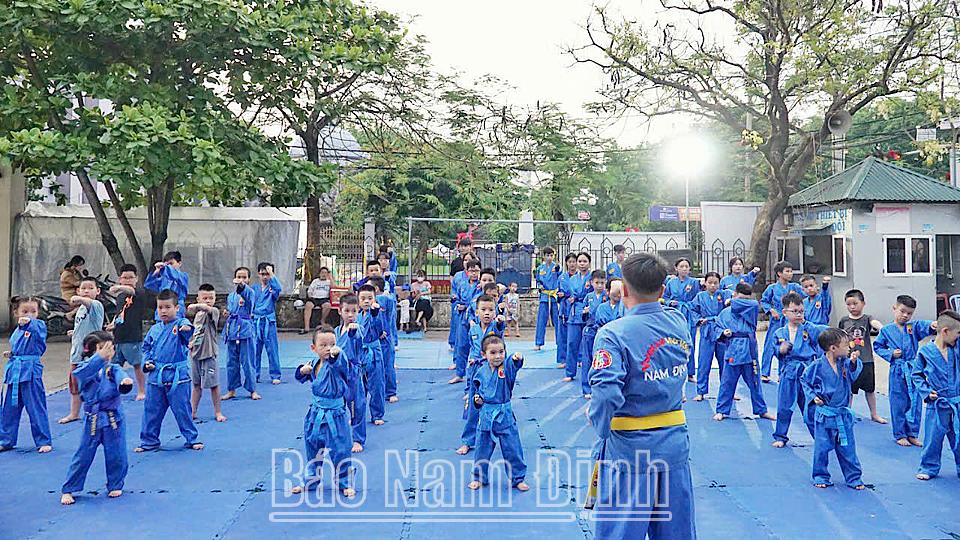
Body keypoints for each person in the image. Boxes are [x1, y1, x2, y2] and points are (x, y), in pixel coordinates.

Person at [586, 252, 695, 539]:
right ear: (663, 290)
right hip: (674, 446)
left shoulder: (613, 334)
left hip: (630, 452)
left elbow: (606, 394)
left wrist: (600, 425)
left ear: (623, 289)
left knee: (621, 533)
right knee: (676, 533)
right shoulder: (678, 322)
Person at [60, 331, 134, 505]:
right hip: (92, 418)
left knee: (117, 453)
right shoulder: (85, 368)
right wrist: (99, 358)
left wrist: (125, 382)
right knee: (83, 454)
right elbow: (80, 375)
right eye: (102, 348)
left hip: (113, 417)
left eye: (110, 348)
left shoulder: (113, 369)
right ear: (92, 351)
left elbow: (121, 376)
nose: (107, 352)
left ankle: (115, 483)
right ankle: (69, 488)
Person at [136, 290, 203, 453]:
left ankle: (192, 438)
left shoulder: (180, 324)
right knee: (151, 411)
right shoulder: (154, 329)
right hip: (156, 375)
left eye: (167, 307)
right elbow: (146, 348)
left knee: (182, 409)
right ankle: (149, 441)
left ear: (177, 308)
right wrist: (147, 362)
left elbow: (187, 330)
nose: (163, 311)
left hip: (177, 377)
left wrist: (186, 328)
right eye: (160, 308)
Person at [293, 326, 356, 497]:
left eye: (332, 344)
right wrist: (302, 371)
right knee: (312, 449)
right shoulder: (314, 364)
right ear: (313, 348)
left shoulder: (337, 362)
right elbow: (300, 376)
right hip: (315, 414)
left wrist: (337, 353)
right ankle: (310, 481)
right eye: (323, 345)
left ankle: (344, 483)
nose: (328, 348)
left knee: (341, 450)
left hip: (336, 415)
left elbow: (341, 363)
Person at [801, 328, 865, 490]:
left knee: (848, 448)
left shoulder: (845, 363)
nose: (849, 347)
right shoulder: (817, 366)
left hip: (842, 414)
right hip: (825, 414)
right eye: (845, 345)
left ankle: (854, 477)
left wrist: (854, 362)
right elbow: (805, 381)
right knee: (822, 448)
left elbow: (853, 375)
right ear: (833, 348)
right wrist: (813, 396)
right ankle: (820, 475)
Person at [874, 295, 936, 446]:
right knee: (898, 402)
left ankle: (912, 433)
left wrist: (933, 325)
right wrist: (890, 354)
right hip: (897, 370)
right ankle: (900, 434)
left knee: (915, 402)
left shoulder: (912, 327)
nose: (905, 315)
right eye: (902, 311)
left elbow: (923, 326)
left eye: (909, 313)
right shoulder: (886, 330)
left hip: (913, 369)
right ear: (894, 308)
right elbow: (878, 346)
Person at [469, 334, 528, 492]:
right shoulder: (480, 371)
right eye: (493, 353)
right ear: (484, 354)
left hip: (504, 414)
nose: (498, 356)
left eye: (501, 352)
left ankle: (518, 478)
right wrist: (477, 400)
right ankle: (479, 477)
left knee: (513, 448)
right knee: (482, 449)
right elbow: (477, 392)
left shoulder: (506, 368)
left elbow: (514, 363)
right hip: (486, 415)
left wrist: (517, 358)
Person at [771, 292, 828, 447]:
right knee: (784, 406)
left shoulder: (809, 329)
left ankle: (820, 437)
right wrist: (780, 350)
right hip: (789, 371)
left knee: (811, 406)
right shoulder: (779, 333)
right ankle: (780, 436)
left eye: (801, 311)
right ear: (785, 312)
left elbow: (823, 335)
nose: (798, 314)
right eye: (795, 311)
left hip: (807, 372)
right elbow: (775, 350)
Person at [714, 283, 776, 422]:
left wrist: (733, 301)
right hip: (733, 349)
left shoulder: (751, 308)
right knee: (727, 382)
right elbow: (717, 327)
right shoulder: (725, 313)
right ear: (735, 294)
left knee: (755, 383)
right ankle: (722, 410)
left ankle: (761, 410)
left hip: (749, 350)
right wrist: (723, 332)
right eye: (741, 298)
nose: (744, 302)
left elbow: (752, 303)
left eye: (746, 299)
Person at [912, 310, 960, 481]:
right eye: (958, 333)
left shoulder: (956, 349)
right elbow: (916, 375)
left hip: (956, 401)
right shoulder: (925, 351)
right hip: (937, 402)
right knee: (933, 438)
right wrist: (926, 391)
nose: (958, 337)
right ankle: (928, 467)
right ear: (945, 331)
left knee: (959, 437)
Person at [0, 296, 52, 453]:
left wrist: (29, 322)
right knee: (9, 409)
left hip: (31, 372)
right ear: (16, 312)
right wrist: (12, 353)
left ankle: (43, 440)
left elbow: (37, 334)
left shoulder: (38, 326)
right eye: (25, 311)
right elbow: (22, 347)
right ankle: (6, 440)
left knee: (36, 407)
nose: (29, 314)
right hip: (15, 371)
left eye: (33, 311)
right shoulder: (17, 331)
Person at [457, 294, 506, 456]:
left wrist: (500, 321)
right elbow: (471, 349)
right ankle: (467, 441)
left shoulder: (495, 327)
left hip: (493, 372)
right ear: (476, 312)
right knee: (474, 407)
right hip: (476, 371)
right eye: (483, 310)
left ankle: (503, 438)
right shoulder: (473, 329)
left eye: (490, 310)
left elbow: (500, 327)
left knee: (497, 407)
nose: (487, 313)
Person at [60, 276, 105, 425]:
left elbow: (89, 302)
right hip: (77, 353)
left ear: (98, 291)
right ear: (78, 290)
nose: (86, 291)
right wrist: (75, 332)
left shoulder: (96, 305)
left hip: (91, 356)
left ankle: (96, 412)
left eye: (90, 288)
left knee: (94, 385)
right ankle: (74, 413)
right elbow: (85, 326)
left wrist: (79, 298)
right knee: (74, 385)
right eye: (83, 288)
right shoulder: (80, 309)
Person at [838, 289, 887, 424]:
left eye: (855, 303)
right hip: (849, 361)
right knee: (849, 389)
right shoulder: (844, 320)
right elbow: (839, 336)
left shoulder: (867, 318)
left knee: (870, 389)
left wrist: (882, 328)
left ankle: (874, 414)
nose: (852, 307)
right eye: (849, 304)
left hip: (866, 360)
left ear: (863, 303)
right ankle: (846, 413)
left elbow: (875, 323)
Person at [688, 272, 732, 401]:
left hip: (721, 330)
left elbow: (733, 299)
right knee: (704, 362)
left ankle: (728, 391)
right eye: (710, 283)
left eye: (715, 283)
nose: (713, 285)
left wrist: (730, 301)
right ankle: (701, 392)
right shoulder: (700, 296)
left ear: (719, 284)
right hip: (707, 330)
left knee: (724, 362)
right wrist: (699, 319)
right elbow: (692, 309)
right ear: (705, 283)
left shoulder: (723, 294)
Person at [107, 264, 148, 400]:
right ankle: (113, 391)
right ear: (120, 279)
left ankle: (141, 391)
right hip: (118, 336)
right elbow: (119, 313)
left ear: (136, 279)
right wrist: (112, 324)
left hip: (133, 336)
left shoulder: (139, 293)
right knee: (114, 366)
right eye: (125, 278)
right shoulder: (120, 297)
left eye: (131, 277)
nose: (128, 280)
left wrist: (119, 287)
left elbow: (131, 290)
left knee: (137, 365)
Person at [187, 284, 226, 423]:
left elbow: (207, 308)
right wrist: (191, 343)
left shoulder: (213, 312)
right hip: (196, 354)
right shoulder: (198, 316)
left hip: (209, 354)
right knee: (196, 385)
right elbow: (197, 332)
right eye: (205, 298)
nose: (208, 301)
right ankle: (192, 411)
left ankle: (218, 412)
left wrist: (197, 306)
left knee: (214, 385)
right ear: (198, 298)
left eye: (211, 298)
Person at [760, 261, 803, 382]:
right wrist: (771, 310)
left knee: (787, 345)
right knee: (770, 344)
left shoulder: (794, 287)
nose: (790, 274)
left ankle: (782, 372)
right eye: (787, 271)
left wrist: (797, 295)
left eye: (791, 271)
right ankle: (765, 372)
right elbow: (764, 301)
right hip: (777, 319)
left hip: (790, 320)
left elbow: (805, 295)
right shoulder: (772, 288)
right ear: (779, 273)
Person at [334, 294, 366, 453]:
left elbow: (357, 338)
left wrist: (352, 332)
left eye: (354, 311)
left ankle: (358, 439)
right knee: (336, 405)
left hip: (352, 373)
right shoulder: (336, 331)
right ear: (340, 311)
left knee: (356, 406)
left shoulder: (358, 328)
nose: (350, 315)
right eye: (347, 311)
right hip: (337, 373)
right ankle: (338, 434)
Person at [222, 267, 260, 401]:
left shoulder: (250, 293)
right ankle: (231, 389)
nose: (241, 279)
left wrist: (242, 286)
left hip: (245, 330)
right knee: (231, 362)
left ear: (249, 279)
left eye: (244, 277)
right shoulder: (231, 296)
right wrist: (227, 313)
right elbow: (231, 310)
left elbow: (248, 299)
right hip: (232, 330)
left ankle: (252, 390)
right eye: (239, 277)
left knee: (248, 361)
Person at [663, 258, 701, 382]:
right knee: (673, 341)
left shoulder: (694, 282)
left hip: (689, 314)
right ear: (676, 268)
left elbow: (698, 298)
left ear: (689, 269)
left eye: (686, 266)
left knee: (690, 342)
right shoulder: (671, 282)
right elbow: (665, 297)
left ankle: (690, 373)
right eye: (681, 266)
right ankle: (673, 370)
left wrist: (690, 306)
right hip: (674, 313)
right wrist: (669, 302)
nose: (684, 269)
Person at [356, 284, 386, 429]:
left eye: (370, 298)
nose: (366, 301)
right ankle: (357, 415)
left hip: (373, 351)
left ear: (375, 299)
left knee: (376, 384)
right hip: (360, 352)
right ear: (358, 300)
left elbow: (379, 328)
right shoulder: (357, 316)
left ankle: (377, 414)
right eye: (363, 298)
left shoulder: (376, 313)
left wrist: (375, 313)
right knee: (358, 386)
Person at [563, 252, 593, 384]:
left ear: (589, 263)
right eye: (579, 261)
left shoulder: (592, 277)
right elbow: (571, 292)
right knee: (572, 343)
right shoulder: (572, 278)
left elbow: (586, 293)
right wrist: (575, 297)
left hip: (588, 312)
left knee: (588, 346)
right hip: (574, 313)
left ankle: (590, 373)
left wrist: (577, 296)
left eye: (584, 261)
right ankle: (570, 372)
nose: (581, 264)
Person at [450, 260, 482, 385]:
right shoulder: (462, 285)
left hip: (476, 319)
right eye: (471, 271)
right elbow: (457, 298)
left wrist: (467, 306)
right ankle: (459, 373)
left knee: (477, 347)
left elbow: (478, 302)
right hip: (463, 318)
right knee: (461, 346)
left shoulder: (481, 286)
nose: (474, 273)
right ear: (467, 272)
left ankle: (477, 375)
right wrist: (457, 304)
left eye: (476, 271)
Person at [251, 262, 282, 385]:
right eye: (262, 274)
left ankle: (275, 375)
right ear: (258, 274)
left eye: (267, 274)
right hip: (256, 321)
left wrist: (272, 274)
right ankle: (254, 374)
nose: (265, 277)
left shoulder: (273, 288)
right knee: (255, 350)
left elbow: (278, 289)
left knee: (272, 349)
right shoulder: (254, 288)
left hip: (269, 322)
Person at [369, 277, 398, 404]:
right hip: (372, 338)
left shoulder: (385, 299)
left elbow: (389, 318)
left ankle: (391, 391)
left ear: (376, 289)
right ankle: (378, 391)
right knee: (374, 367)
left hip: (384, 337)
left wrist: (383, 331)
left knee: (387, 365)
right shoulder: (368, 301)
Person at [579, 270, 608, 399]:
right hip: (590, 330)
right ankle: (586, 388)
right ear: (591, 283)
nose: (600, 285)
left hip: (603, 330)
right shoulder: (588, 297)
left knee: (602, 359)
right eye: (597, 283)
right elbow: (582, 315)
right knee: (587, 358)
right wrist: (584, 312)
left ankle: (601, 386)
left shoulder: (607, 296)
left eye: (602, 283)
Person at [144, 251, 189, 319]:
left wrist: (164, 267)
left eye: (171, 263)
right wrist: (156, 273)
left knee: (175, 324)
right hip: (162, 308)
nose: (169, 266)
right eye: (167, 264)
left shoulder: (183, 276)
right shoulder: (163, 279)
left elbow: (174, 275)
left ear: (179, 263)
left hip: (176, 309)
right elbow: (148, 285)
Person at [534, 247, 562, 351]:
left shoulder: (557, 267)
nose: (549, 257)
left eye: (551, 255)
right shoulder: (540, 268)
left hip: (554, 296)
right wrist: (540, 286)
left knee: (557, 321)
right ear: (544, 256)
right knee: (541, 320)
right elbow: (538, 280)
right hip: (544, 297)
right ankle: (538, 342)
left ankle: (560, 342)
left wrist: (557, 270)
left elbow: (561, 277)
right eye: (547, 255)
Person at [556, 253, 578, 369]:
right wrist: (560, 295)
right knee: (563, 335)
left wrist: (569, 294)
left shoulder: (580, 278)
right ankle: (563, 359)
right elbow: (558, 293)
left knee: (576, 336)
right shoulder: (562, 277)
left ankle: (579, 358)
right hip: (564, 308)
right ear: (566, 263)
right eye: (570, 262)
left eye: (574, 262)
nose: (572, 264)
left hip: (576, 308)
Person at [302, 266, 332, 334]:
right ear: (319, 274)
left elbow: (334, 287)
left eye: (325, 273)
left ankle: (322, 321)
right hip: (314, 298)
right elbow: (310, 290)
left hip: (324, 298)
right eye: (322, 273)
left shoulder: (329, 282)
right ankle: (306, 327)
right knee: (308, 305)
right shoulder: (315, 281)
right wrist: (310, 296)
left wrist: (330, 277)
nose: (324, 274)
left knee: (327, 306)